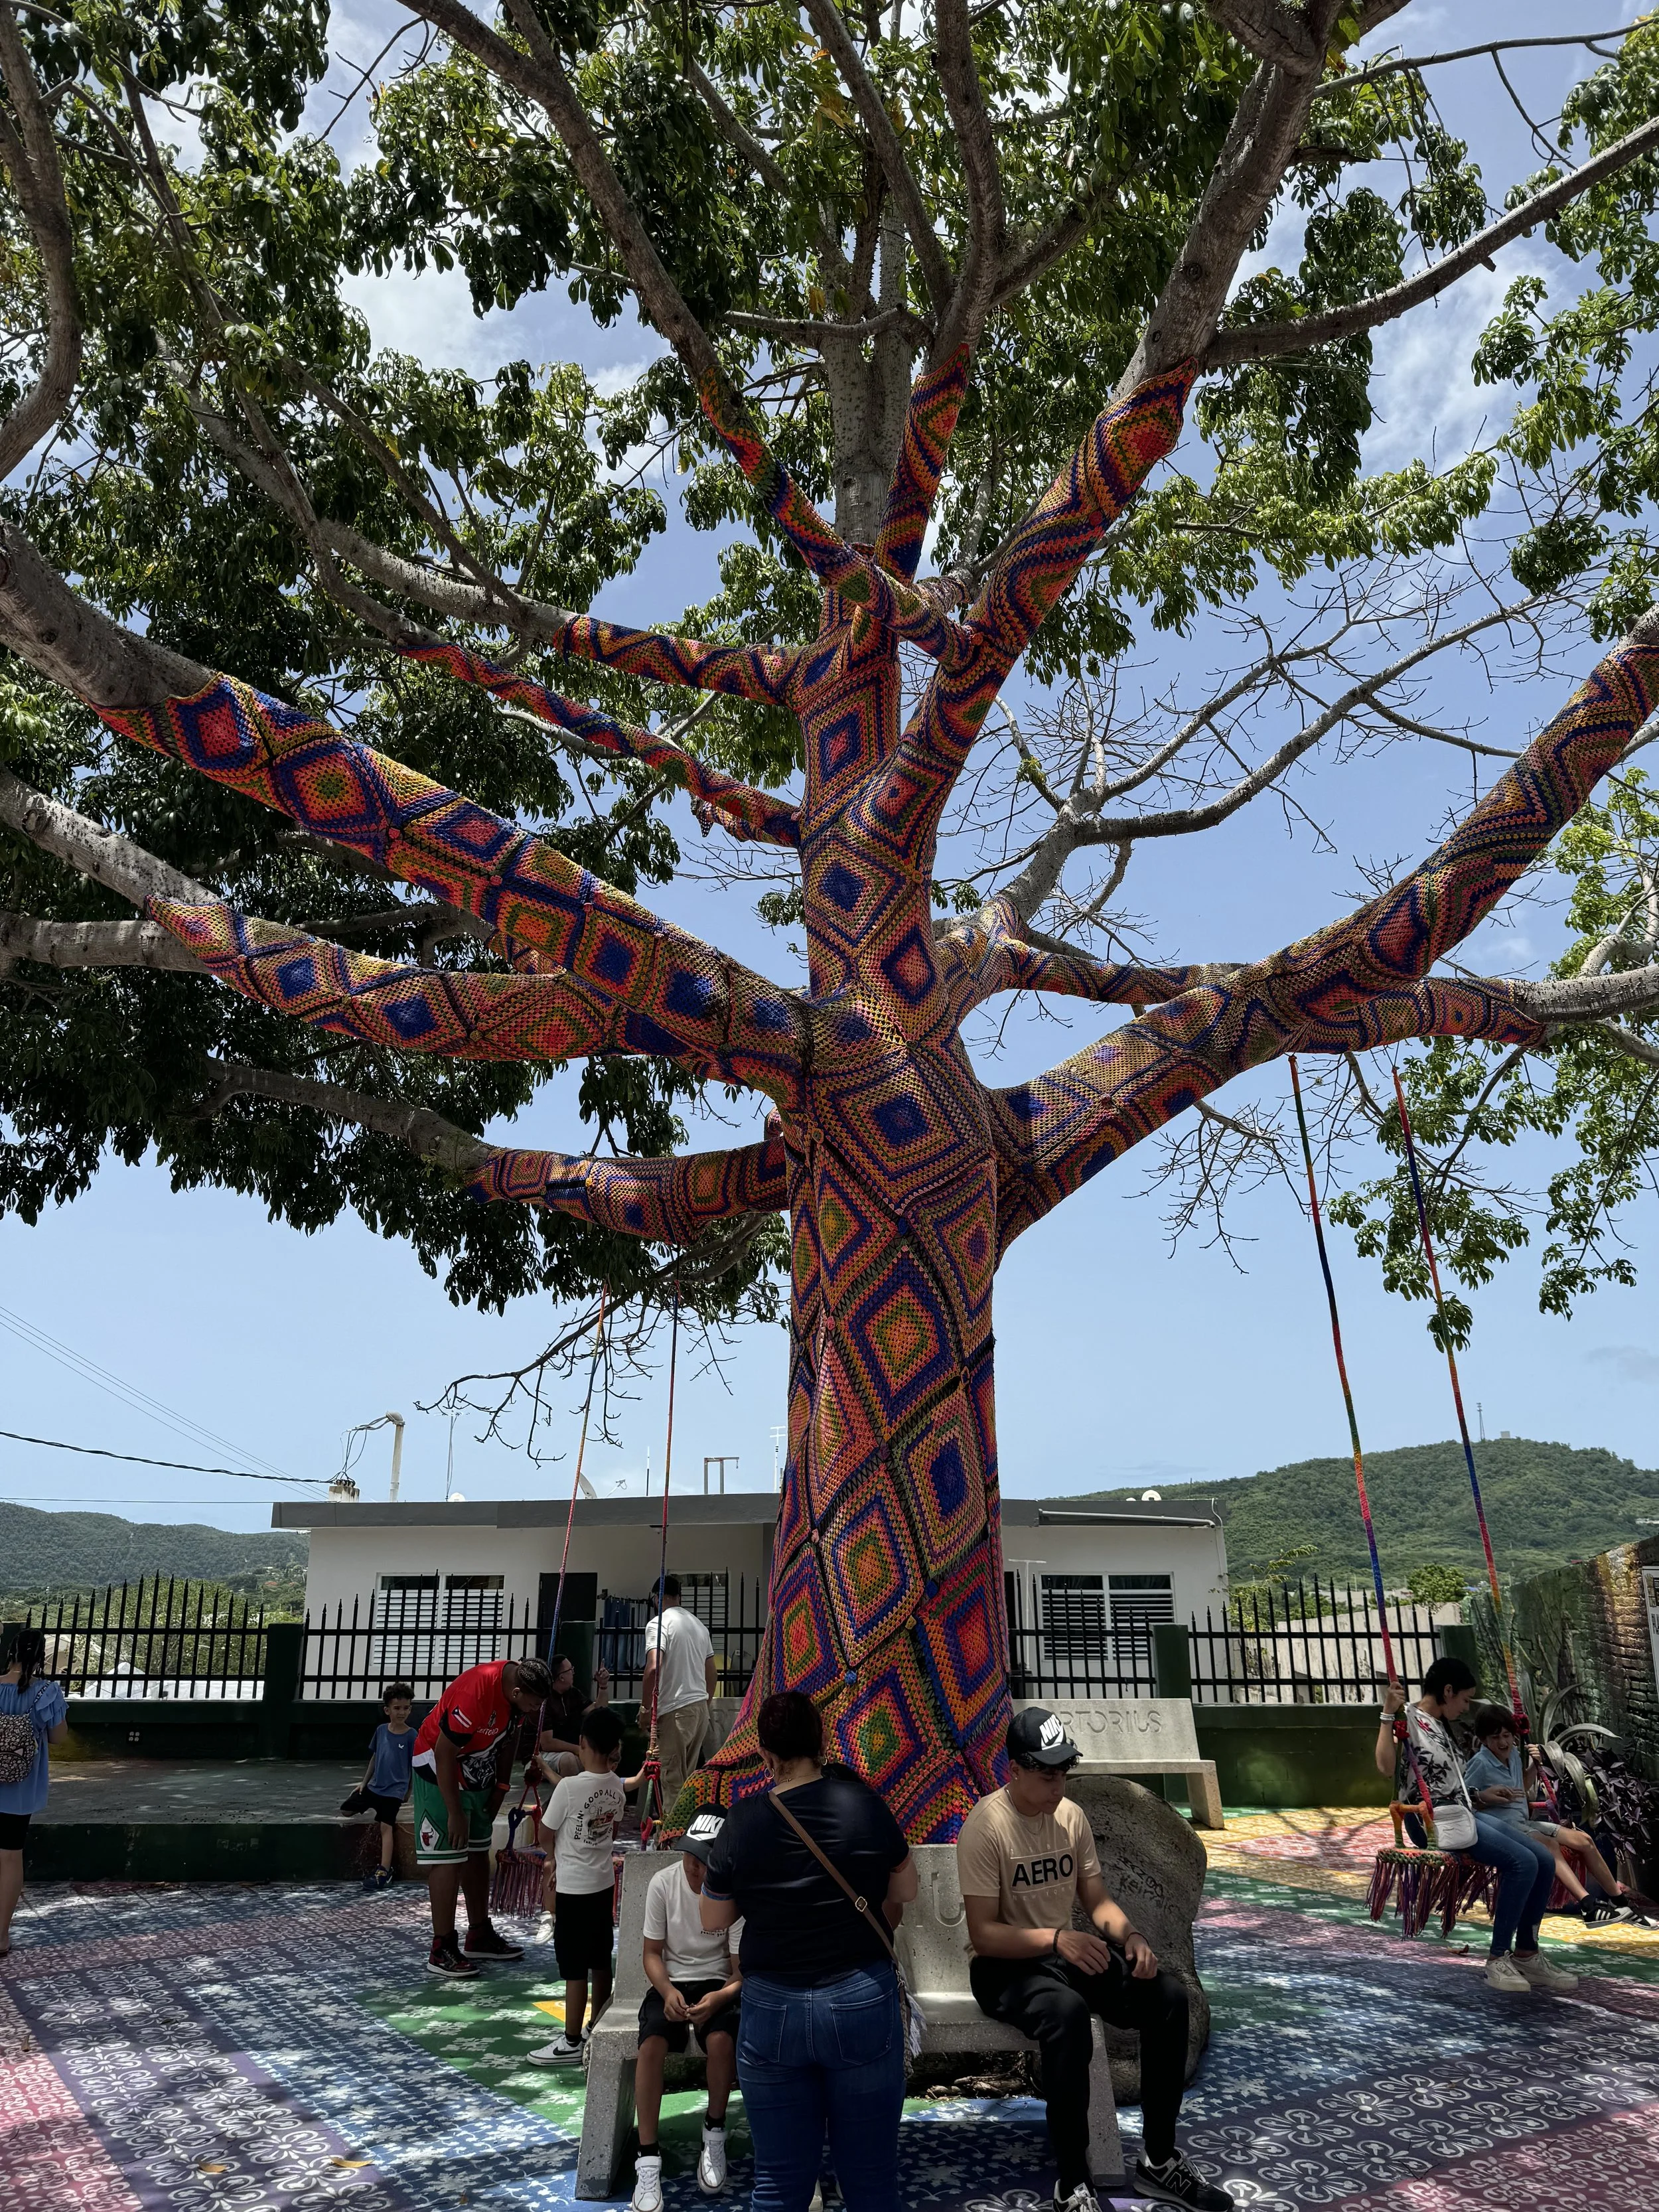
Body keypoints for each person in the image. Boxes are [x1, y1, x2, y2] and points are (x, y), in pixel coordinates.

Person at [958, 1708, 1233, 2212]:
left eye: (1063, 1771)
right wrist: (1057, 1939)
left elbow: (1097, 1899)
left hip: (1060, 1954)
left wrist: (1131, 1936)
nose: (1057, 1784)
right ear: (1014, 1770)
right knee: (1066, 2016)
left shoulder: (1071, 1816)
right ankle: (1072, 2184)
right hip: (1004, 1967)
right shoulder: (986, 1825)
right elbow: (984, 1933)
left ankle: (1159, 2160)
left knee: (1168, 1998)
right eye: (1046, 1774)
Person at [700, 1689, 918, 2212]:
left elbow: (713, 1919)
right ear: (821, 1745)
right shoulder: (863, 1803)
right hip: (862, 1998)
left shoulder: (744, 1820)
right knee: (871, 2181)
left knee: (779, 2183)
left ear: (767, 1756)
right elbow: (906, 1890)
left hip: (772, 2007)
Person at [1378, 1659, 1575, 1994]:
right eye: (1466, 1699)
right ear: (1448, 1691)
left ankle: (1526, 1951)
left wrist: (1481, 1795)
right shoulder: (1407, 1717)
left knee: (1542, 1858)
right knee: (1522, 1863)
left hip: (1462, 1812)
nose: (1467, 1707)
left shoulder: (1441, 1725)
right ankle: (1498, 1957)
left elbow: (1455, 1784)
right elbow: (1385, 1767)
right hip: (1432, 1821)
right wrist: (1386, 1715)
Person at [411, 1651, 553, 1978]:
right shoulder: (475, 1694)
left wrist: (501, 1788)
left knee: (477, 1850)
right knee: (449, 1855)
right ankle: (442, 1947)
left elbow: (510, 1739)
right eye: (533, 1705)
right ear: (517, 1694)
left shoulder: (518, 1694)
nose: (535, 1712)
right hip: (439, 1769)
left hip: (478, 1768)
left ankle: (479, 1933)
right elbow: (444, 1753)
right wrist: (454, 1812)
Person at [630, 1808, 744, 2212]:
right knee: (651, 2046)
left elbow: (739, 1971)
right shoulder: (664, 1884)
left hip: (717, 1985)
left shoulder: (732, 1894)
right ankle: (647, 2157)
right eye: (690, 1859)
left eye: (703, 1862)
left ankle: (714, 2132)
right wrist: (665, 1990)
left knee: (721, 2041)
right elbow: (652, 1954)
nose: (694, 1869)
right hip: (670, 1985)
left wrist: (721, 1998)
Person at [1464, 1705, 1643, 1918]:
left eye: (1507, 1735)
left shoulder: (1512, 1755)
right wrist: (1488, 1798)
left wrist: (1534, 1765)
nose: (1503, 1742)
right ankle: (1587, 1904)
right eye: (1496, 1738)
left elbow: (1521, 1786)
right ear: (1484, 1740)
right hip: (1502, 1828)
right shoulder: (1480, 1763)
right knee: (1550, 1845)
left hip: (1523, 1822)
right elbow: (1466, 1800)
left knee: (1584, 1840)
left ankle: (1620, 1902)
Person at [529, 1703, 628, 2064]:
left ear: (583, 1743)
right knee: (601, 1959)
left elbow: (546, 1831)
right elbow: (612, 1826)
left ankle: (571, 2041)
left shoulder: (569, 1788)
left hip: (572, 1888)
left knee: (574, 1967)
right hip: (603, 1885)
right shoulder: (616, 1786)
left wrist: (552, 1856)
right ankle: (598, 2026)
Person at [0, 1629, 68, 1958]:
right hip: (19, 1788)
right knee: (9, 1856)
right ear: (41, 1657)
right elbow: (58, 1738)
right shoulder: (47, 1692)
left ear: (10, 1651)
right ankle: (0, 1936)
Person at [641, 1576, 716, 1815]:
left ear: (657, 1598)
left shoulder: (658, 1623)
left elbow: (653, 1668)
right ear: (679, 1598)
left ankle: (672, 1844)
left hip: (674, 1711)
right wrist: (705, 1703)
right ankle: (686, 1837)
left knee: (672, 1782)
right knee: (688, 1780)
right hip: (698, 1709)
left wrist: (645, 1711)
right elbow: (712, 1673)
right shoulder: (699, 1626)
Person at [355, 1679, 416, 1891]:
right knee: (346, 1810)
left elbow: (414, 1765)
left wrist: (408, 1790)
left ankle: (384, 1870)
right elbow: (374, 1757)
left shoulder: (411, 1735)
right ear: (387, 1709)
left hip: (395, 1791)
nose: (402, 1712)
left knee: (385, 1827)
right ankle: (373, 1804)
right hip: (375, 1787)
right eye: (397, 1708)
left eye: (406, 1708)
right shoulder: (381, 1731)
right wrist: (363, 1783)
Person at [530, 1652, 611, 1791]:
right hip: (541, 1755)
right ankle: (575, 1799)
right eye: (570, 1670)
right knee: (569, 1760)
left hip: (572, 1750)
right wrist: (579, 1750)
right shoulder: (544, 1700)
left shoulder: (572, 1694)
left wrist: (603, 1686)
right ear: (561, 1677)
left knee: (605, 1750)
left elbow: (599, 1713)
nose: (573, 1673)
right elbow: (547, 1743)